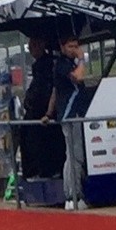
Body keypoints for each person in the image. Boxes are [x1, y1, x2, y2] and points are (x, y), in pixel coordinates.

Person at [42, 34, 90, 209]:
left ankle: (71, 195)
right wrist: (82, 59)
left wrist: (49, 113)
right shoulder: (63, 64)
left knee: (72, 155)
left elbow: (56, 91)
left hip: (72, 113)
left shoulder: (67, 64)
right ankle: (73, 195)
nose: (75, 50)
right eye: (71, 46)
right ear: (62, 47)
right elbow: (78, 77)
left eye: (76, 46)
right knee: (75, 155)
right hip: (70, 114)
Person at [20, 37, 65, 180]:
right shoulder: (38, 67)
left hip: (44, 117)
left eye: (33, 46)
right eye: (29, 47)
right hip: (37, 116)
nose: (31, 50)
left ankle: (46, 171)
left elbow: (48, 90)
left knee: (44, 145)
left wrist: (46, 111)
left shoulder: (48, 66)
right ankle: (37, 171)